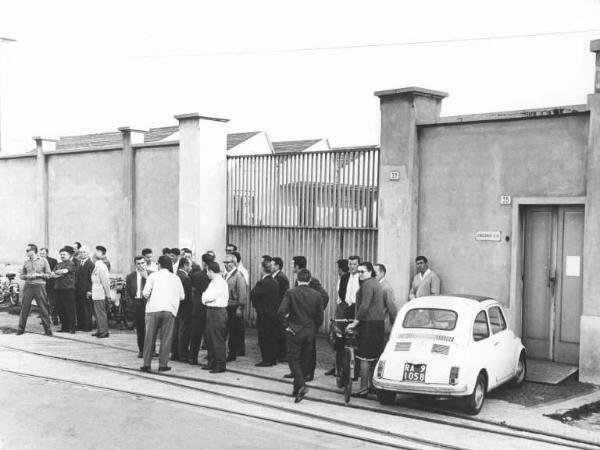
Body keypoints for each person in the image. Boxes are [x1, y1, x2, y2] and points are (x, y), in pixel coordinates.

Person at [278, 269, 324, 403]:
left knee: (293, 359)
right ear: (309, 280)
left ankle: (301, 385)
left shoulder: (291, 292)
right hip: (309, 331)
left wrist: (286, 326)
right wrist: (314, 328)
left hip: (294, 330)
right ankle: (297, 389)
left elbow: (281, 312)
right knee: (305, 359)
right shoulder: (317, 295)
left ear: (297, 279)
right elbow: (320, 316)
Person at [284, 256, 329, 381]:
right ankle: (297, 372)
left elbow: (324, 296)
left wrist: (314, 314)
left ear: (298, 266)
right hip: (299, 323)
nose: (291, 266)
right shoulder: (299, 278)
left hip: (308, 323)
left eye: (293, 264)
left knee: (309, 349)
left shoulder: (311, 280)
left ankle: (309, 373)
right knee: (299, 350)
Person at [346, 262, 385, 397]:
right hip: (378, 323)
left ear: (370, 272)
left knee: (364, 357)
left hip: (368, 323)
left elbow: (364, 305)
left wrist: (355, 322)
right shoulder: (376, 283)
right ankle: (373, 385)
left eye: (362, 272)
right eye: (359, 272)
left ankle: (363, 388)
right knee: (374, 357)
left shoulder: (368, 284)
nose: (360, 275)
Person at [140, 255, 185, 372]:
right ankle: (163, 365)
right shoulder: (176, 278)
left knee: (149, 338)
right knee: (166, 338)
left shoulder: (153, 276)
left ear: (159, 265)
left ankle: (146, 364)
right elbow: (182, 296)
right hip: (169, 310)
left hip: (152, 310)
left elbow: (145, 293)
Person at [325, 258, 355, 377]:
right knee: (339, 339)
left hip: (343, 310)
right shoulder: (344, 278)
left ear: (341, 269)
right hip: (342, 309)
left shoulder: (345, 278)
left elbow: (343, 297)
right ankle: (338, 366)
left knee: (340, 339)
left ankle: (340, 367)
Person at [17, 244, 53, 336]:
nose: (26, 252)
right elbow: (21, 276)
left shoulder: (43, 261)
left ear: (33, 251)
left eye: (27, 250)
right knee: (24, 308)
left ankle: (47, 329)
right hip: (28, 286)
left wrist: (38, 275)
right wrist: (27, 276)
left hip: (40, 286)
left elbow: (49, 275)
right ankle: (20, 329)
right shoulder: (26, 262)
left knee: (43, 308)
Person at [250, 260, 280, 367]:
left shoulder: (262, 282)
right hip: (274, 314)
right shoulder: (275, 281)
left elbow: (253, 293)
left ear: (262, 269)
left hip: (264, 314)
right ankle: (272, 359)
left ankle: (266, 360)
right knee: (272, 337)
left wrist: (257, 305)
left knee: (264, 337)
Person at [202, 261, 229, 373]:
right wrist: (205, 297)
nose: (206, 273)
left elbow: (208, 297)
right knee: (210, 338)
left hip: (217, 312)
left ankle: (220, 364)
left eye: (207, 271)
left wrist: (204, 296)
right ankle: (212, 362)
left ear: (211, 271)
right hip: (212, 311)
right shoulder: (214, 282)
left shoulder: (219, 283)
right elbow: (205, 297)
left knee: (217, 339)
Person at [189, 253, 213, 364]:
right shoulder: (214, 277)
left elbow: (193, 290)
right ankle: (210, 357)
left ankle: (193, 357)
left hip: (198, 308)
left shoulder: (196, 275)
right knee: (209, 335)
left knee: (195, 334)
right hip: (209, 307)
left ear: (203, 262)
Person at [125, 256, 151, 357]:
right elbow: (127, 293)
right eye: (138, 263)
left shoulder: (151, 274)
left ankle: (151, 350)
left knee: (150, 328)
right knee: (140, 329)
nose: (141, 265)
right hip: (137, 303)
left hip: (148, 304)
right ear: (135, 265)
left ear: (145, 263)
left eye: (142, 263)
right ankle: (141, 350)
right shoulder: (131, 276)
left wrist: (146, 277)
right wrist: (131, 305)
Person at [223, 253, 248, 361]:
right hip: (226, 306)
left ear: (232, 264)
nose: (225, 264)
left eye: (227, 262)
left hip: (233, 307)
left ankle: (232, 353)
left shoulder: (239, 276)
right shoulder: (226, 275)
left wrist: (240, 307)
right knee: (225, 330)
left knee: (233, 331)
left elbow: (242, 293)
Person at [171, 258, 193, 362]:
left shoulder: (175, 276)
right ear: (185, 265)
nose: (191, 268)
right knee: (184, 332)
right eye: (190, 265)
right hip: (185, 309)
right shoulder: (186, 278)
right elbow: (187, 296)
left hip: (176, 308)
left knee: (175, 331)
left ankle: (175, 353)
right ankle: (183, 354)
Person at [52, 247, 78, 333]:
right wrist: (58, 273)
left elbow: (64, 271)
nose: (62, 256)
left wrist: (58, 273)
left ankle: (72, 328)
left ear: (69, 255)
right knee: (61, 309)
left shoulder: (71, 264)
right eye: (61, 254)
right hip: (58, 289)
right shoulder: (58, 264)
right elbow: (53, 274)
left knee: (69, 309)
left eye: (64, 254)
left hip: (68, 290)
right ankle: (64, 327)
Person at [89, 246, 112, 338]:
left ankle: (104, 331)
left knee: (101, 313)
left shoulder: (101, 266)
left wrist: (108, 295)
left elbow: (105, 282)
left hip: (100, 293)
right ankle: (100, 329)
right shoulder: (96, 266)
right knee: (97, 313)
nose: (94, 254)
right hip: (96, 292)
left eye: (98, 252)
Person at [271, 257, 290, 362]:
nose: (270, 266)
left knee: (280, 333)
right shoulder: (274, 276)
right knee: (276, 332)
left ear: (278, 266)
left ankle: (282, 355)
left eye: (272, 264)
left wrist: (281, 309)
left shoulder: (281, 278)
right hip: (275, 309)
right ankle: (278, 353)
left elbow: (284, 295)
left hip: (279, 310)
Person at [374, 263, 399, 343]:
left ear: (382, 273)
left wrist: (393, 323)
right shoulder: (375, 285)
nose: (373, 274)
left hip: (384, 324)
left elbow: (392, 308)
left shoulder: (386, 287)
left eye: (375, 272)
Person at [75, 246, 95, 331]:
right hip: (79, 290)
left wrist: (90, 290)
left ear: (88, 253)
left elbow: (92, 279)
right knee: (79, 307)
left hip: (86, 290)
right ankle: (80, 325)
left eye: (84, 252)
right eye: (80, 252)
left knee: (87, 308)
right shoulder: (79, 263)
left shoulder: (91, 264)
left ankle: (87, 326)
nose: (82, 254)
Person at [39, 247, 59, 326]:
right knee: (43, 303)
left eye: (43, 253)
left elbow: (54, 271)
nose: (41, 255)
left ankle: (54, 318)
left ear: (47, 253)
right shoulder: (37, 261)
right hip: (41, 285)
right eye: (40, 254)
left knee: (53, 303)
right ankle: (44, 319)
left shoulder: (53, 261)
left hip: (51, 285)